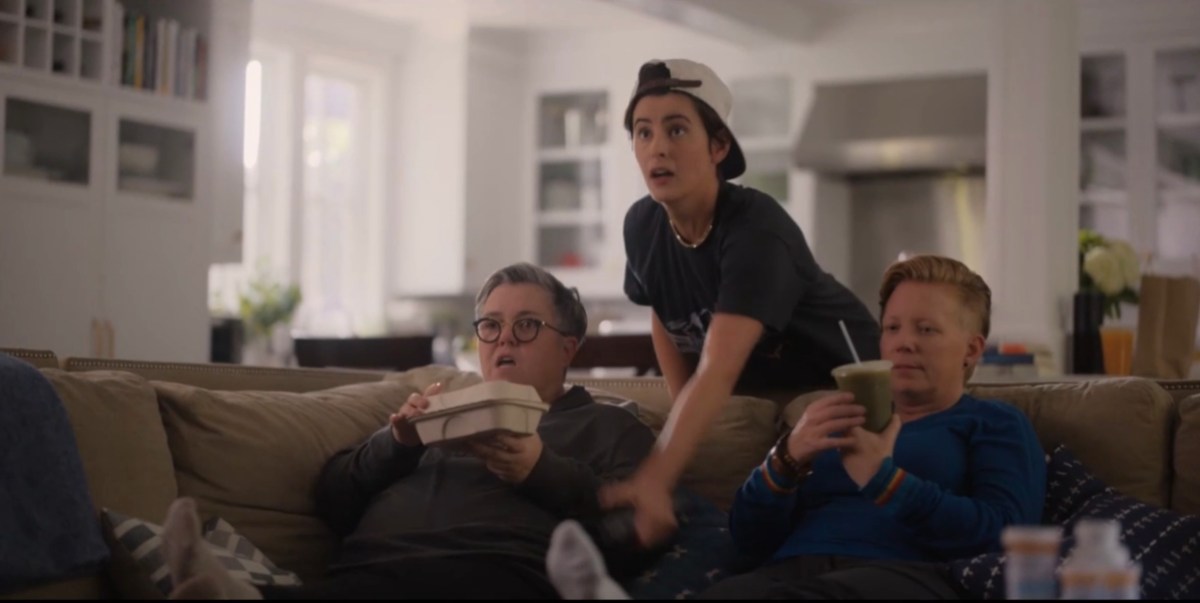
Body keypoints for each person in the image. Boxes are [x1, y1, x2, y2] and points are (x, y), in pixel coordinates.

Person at [549, 254, 1047, 600]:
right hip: (789, 570)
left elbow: (1008, 540)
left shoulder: (994, 424)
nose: (902, 343)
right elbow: (749, 539)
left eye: (927, 329)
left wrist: (887, 481)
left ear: (972, 349)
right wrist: (784, 461)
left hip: (908, 576)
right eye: (893, 328)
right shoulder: (833, 413)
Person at [158, 262, 657, 599]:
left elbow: (636, 533)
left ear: (568, 348)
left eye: (526, 326)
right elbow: (333, 498)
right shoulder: (440, 409)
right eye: (490, 326)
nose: (503, 339)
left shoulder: (609, 427)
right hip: (364, 576)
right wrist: (398, 443)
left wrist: (537, 470)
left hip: (490, 576)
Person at [608, 58, 881, 546]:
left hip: (843, 380)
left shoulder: (756, 228)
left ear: (718, 146)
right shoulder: (642, 225)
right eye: (643, 132)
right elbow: (661, 312)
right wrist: (680, 412)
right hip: (756, 394)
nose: (658, 148)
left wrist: (656, 476)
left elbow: (718, 367)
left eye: (676, 130)